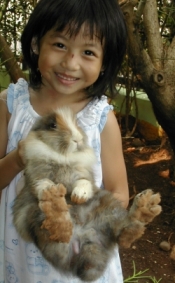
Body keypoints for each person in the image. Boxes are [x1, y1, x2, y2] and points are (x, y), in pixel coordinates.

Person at [0, 0, 129, 282]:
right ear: (36, 43)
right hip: (19, 255)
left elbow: (119, 192)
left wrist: (82, 217)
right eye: (59, 45)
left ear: (104, 61)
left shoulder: (100, 120)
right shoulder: (12, 106)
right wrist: (18, 160)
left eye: (88, 52)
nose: (71, 63)